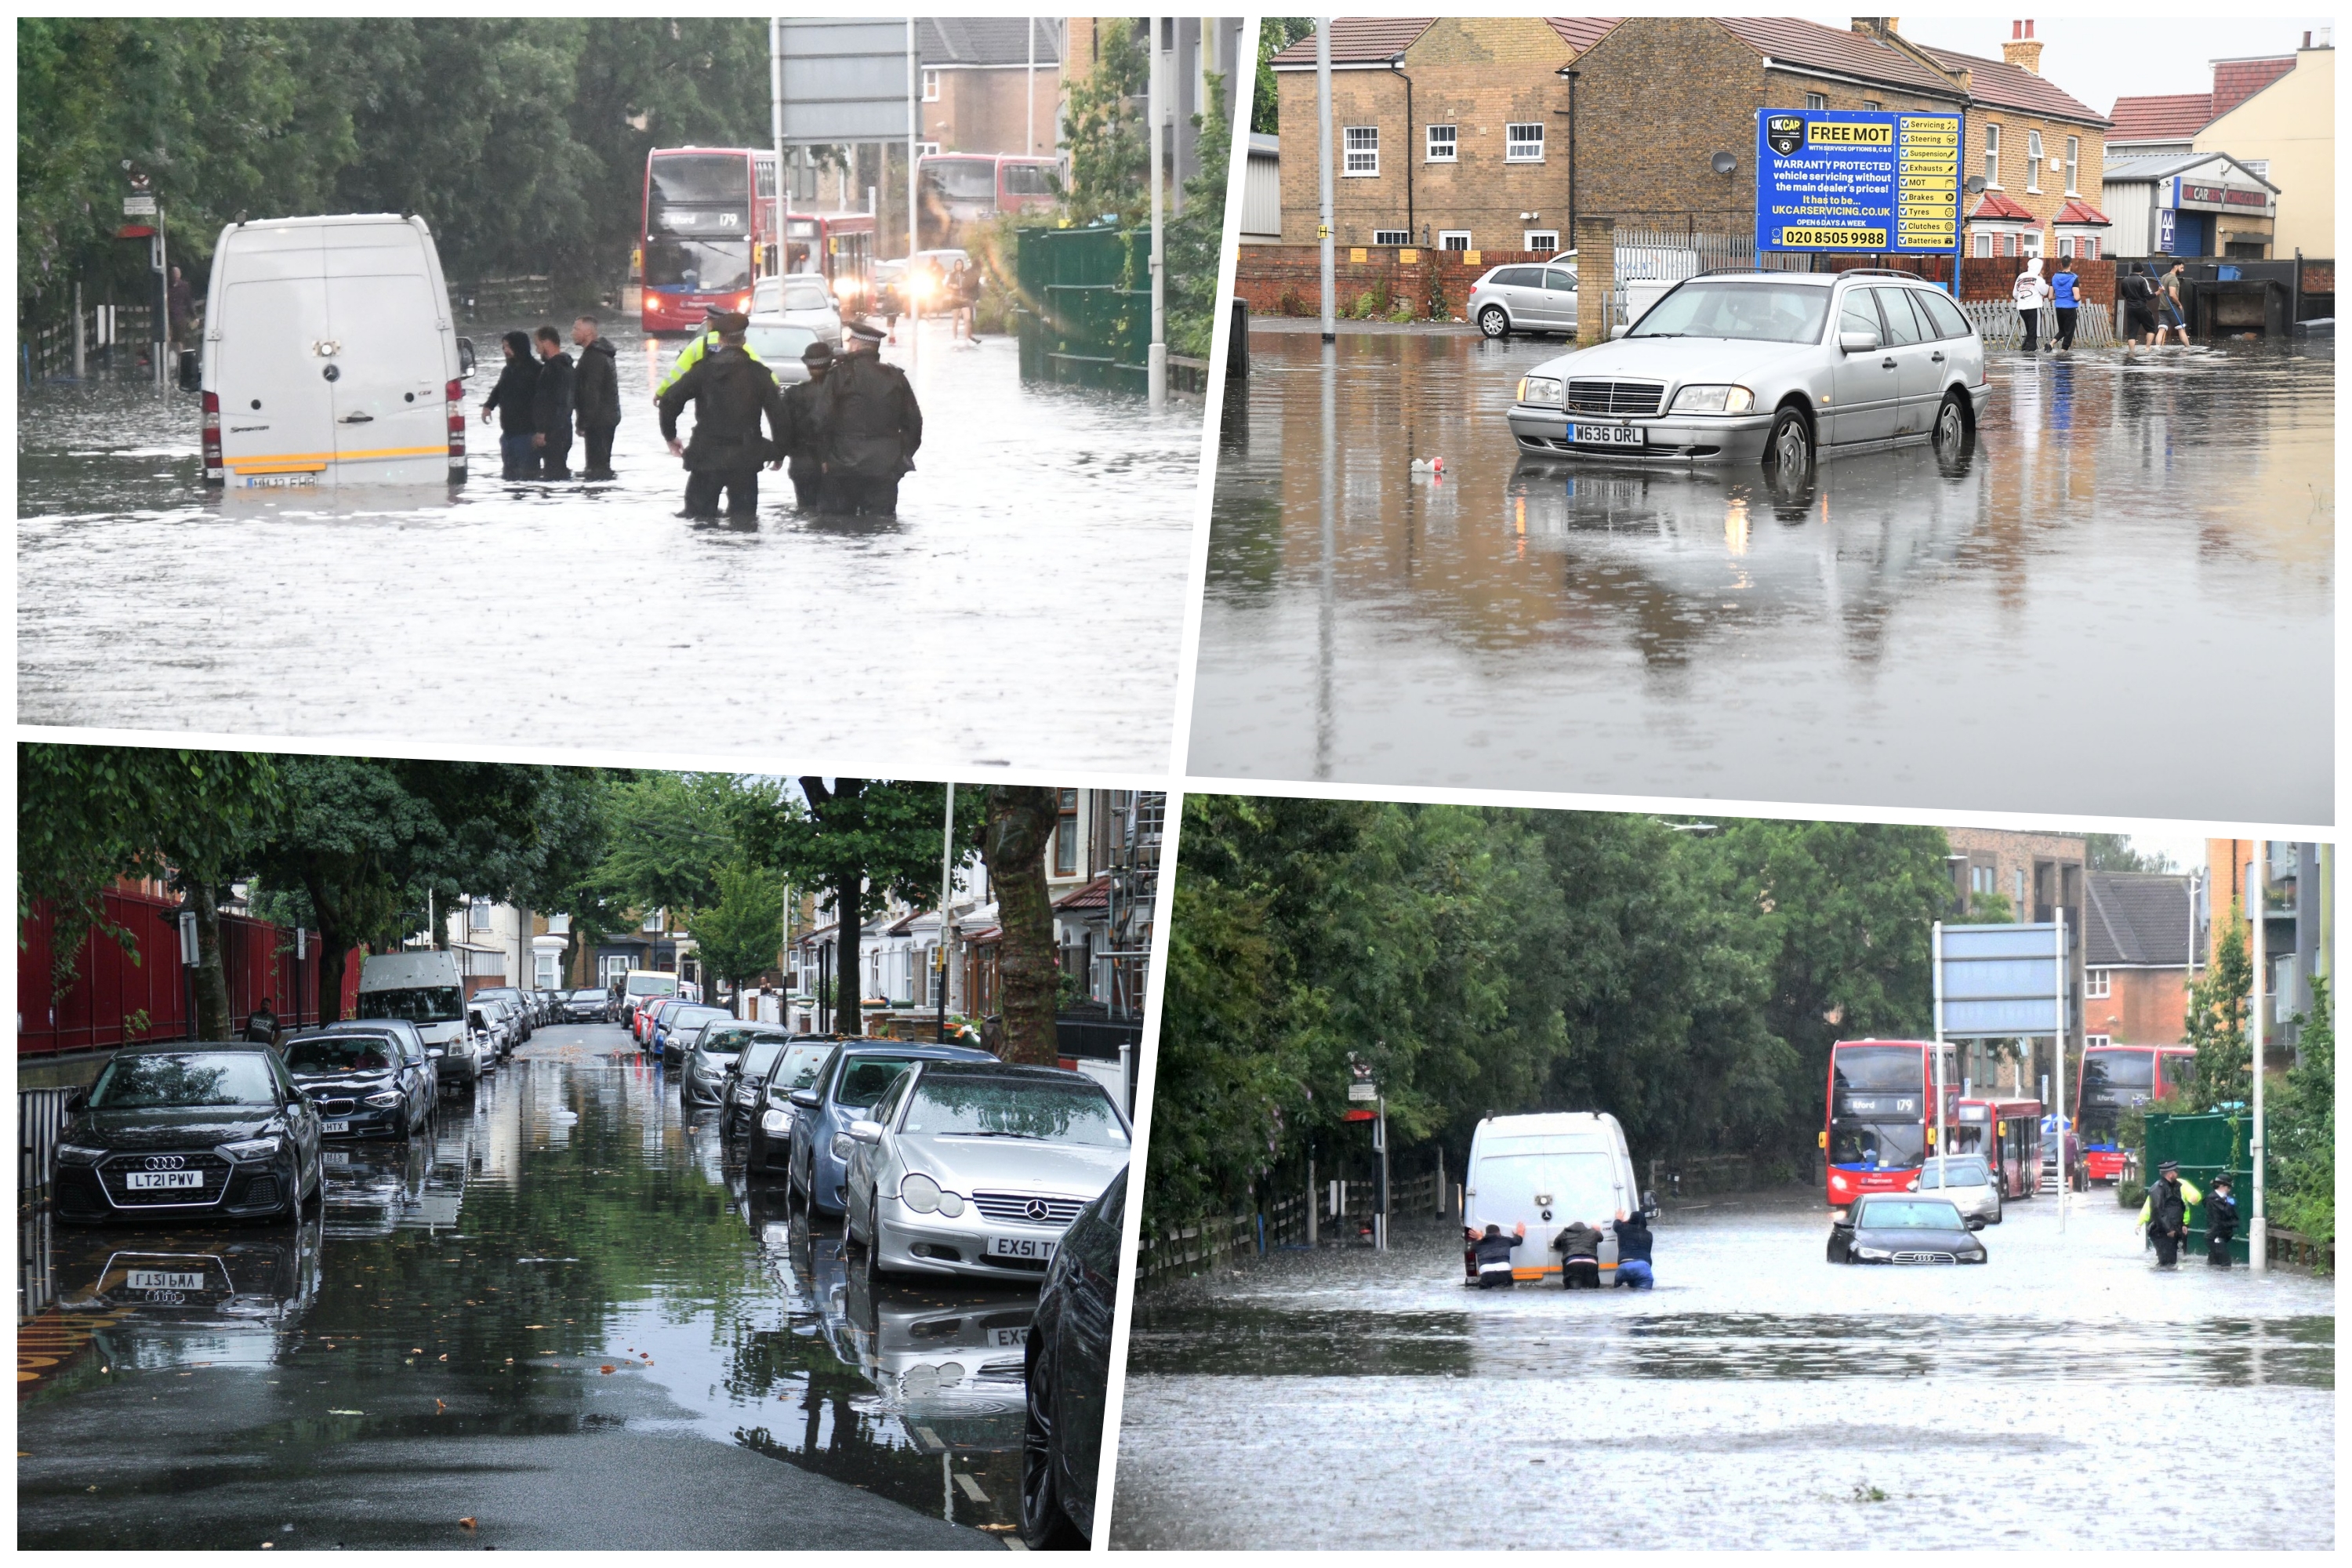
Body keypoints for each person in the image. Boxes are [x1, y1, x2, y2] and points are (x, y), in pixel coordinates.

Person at [657, 310, 786, 521]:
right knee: (744, 523)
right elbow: (779, 417)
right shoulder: (759, 374)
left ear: (721, 339)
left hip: (706, 458)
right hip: (745, 461)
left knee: (699, 523)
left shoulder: (702, 372)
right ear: (744, 340)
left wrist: (670, 436)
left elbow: (670, 400)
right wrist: (779, 451)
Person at [824, 319, 923, 516]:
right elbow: (914, 423)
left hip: (844, 465)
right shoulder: (895, 377)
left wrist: (825, 458)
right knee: (882, 523)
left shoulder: (839, 375)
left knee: (843, 526)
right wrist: (901, 454)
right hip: (885, 467)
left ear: (856, 345)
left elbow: (822, 419)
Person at [655, 307, 765, 405]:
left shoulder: (698, 345)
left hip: (707, 406)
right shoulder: (738, 345)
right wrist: (774, 386)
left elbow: (677, 373)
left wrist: (661, 393)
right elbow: (761, 368)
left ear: (711, 323)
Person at [781, 339, 837, 510]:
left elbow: (783, 428)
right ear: (831, 363)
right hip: (836, 463)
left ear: (807, 366)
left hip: (802, 464)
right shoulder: (843, 394)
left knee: (806, 510)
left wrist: (778, 454)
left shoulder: (793, 394)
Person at [480, 331, 541, 480]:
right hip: (508, 434)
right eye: (503, 347)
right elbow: (499, 390)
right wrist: (488, 406)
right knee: (509, 477)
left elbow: (544, 403)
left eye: (508, 346)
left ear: (518, 347)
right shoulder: (507, 370)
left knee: (528, 478)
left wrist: (541, 431)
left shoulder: (536, 370)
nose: (505, 351)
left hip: (527, 434)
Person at [571, 314, 621, 481]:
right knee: (600, 467)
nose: (572, 333)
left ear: (588, 333)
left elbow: (592, 392)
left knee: (597, 469)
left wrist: (584, 422)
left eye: (576, 329)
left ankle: (598, 494)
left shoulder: (594, 357)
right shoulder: (601, 354)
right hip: (606, 418)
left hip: (599, 421)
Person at [530, 325, 576, 480]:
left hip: (552, 432)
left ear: (547, 342)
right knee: (560, 470)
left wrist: (542, 431)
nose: (537, 351)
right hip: (565, 428)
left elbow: (546, 402)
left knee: (553, 474)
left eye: (537, 345)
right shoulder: (568, 366)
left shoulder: (551, 369)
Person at [2139, 1160, 2202, 1268]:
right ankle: (2162, 1283)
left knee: (2171, 1263)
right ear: (2171, 1174)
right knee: (2165, 1262)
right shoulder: (2158, 1189)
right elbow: (2158, 1211)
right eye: (2176, 1172)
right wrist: (2169, 1229)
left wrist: (2183, 1224)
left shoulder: (2175, 1187)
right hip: (2161, 1231)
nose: (2177, 1174)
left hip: (2173, 1230)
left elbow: (2179, 1207)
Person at [1465, 1221, 1526, 1288]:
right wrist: (1519, 1234)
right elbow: (1518, 1241)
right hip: (1504, 1272)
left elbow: (1470, 1249)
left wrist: (1480, 1238)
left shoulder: (1478, 1244)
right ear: (1499, 1233)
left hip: (1486, 1273)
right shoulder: (1505, 1240)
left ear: (1486, 1233)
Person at [2010, 258, 2051, 353]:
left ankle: (2025, 347)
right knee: (2034, 332)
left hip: (2022, 308)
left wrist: (2023, 299)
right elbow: (2045, 291)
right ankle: (2030, 351)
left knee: (2030, 330)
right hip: (2034, 308)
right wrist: (2041, 278)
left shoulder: (2021, 276)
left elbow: (2015, 294)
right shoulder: (2038, 279)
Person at [1611, 1208, 1655, 1290]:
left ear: (1630, 1219)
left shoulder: (1623, 1228)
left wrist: (1619, 1219)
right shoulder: (1649, 1235)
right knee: (1644, 1295)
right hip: (1643, 1267)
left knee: (1617, 1292)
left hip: (1624, 1266)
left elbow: (1616, 1226)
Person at [1554, 1218, 1604, 1289]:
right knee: (1592, 1290)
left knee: (1574, 1291)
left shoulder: (1565, 1233)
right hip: (1591, 1263)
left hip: (1573, 1262)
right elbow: (1601, 1238)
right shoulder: (1592, 1232)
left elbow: (1556, 1245)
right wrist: (1596, 1230)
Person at [2121, 263, 2161, 349]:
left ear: (2132, 270)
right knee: (2151, 328)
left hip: (2130, 308)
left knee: (2132, 333)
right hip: (2142, 307)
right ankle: (2147, 349)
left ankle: (2131, 352)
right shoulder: (2142, 280)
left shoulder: (2125, 280)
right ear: (2142, 271)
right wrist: (2159, 292)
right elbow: (2148, 296)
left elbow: (2123, 293)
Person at [2049, 256, 2082, 352]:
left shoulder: (2054, 277)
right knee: (2069, 332)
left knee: (2062, 330)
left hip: (2059, 307)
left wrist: (2060, 296)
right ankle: (2063, 352)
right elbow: (2076, 297)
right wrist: (2079, 297)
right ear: (2071, 264)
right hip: (2070, 308)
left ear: (2061, 264)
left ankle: (2051, 344)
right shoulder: (2074, 278)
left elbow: (2050, 297)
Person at [2205, 1177, 2238, 1268]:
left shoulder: (2224, 1199)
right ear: (2222, 1186)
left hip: (2222, 1234)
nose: (2229, 1190)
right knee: (2225, 1264)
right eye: (2228, 1187)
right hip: (2216, 1235)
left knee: (2215, 1263)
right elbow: (2223, 1215)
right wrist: (2229, 1204)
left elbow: (2232, 1216)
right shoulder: (2213, 1199)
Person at [2157, 263, 2194, 347]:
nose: (2182, 270)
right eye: (2181, 268)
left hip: (2162, 307)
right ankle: (2188, 348)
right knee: (2181, 329)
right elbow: (2172, 294)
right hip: (2172, 308)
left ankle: (2157, 348)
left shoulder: (2163, 277)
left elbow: (2159, 291)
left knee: (2161, 329)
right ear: (2176, 266)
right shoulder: (2173, 279)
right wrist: (2179, 304)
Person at [166, 265, 194, 351]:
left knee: (179, 340)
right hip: (169, 316)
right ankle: (167, 358)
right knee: (168, 338)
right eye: (174, 274)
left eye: (177, 274)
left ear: (180, 275)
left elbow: (188, 301)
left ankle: (181, 359)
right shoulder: (167, 286)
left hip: (179, 317)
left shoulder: (184, 286)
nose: (176, 276)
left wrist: (194, 316)